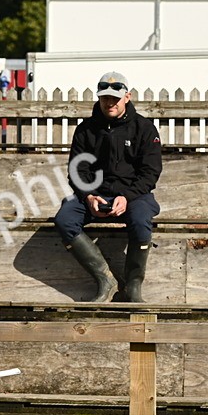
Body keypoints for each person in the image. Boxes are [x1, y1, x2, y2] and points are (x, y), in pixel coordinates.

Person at [54, 71, 162, 302]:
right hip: (94, 195)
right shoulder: (85, 129)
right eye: (105, 98)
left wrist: (127, 196)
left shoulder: (145, 128)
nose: (109, 102)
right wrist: (89, 196)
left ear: (127, 97)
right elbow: (77, 171)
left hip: (134, 195)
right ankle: (105, 280)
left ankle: (133, 287)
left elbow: (150, 172)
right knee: (65, 219)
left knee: (142, 220)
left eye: (115, 98)